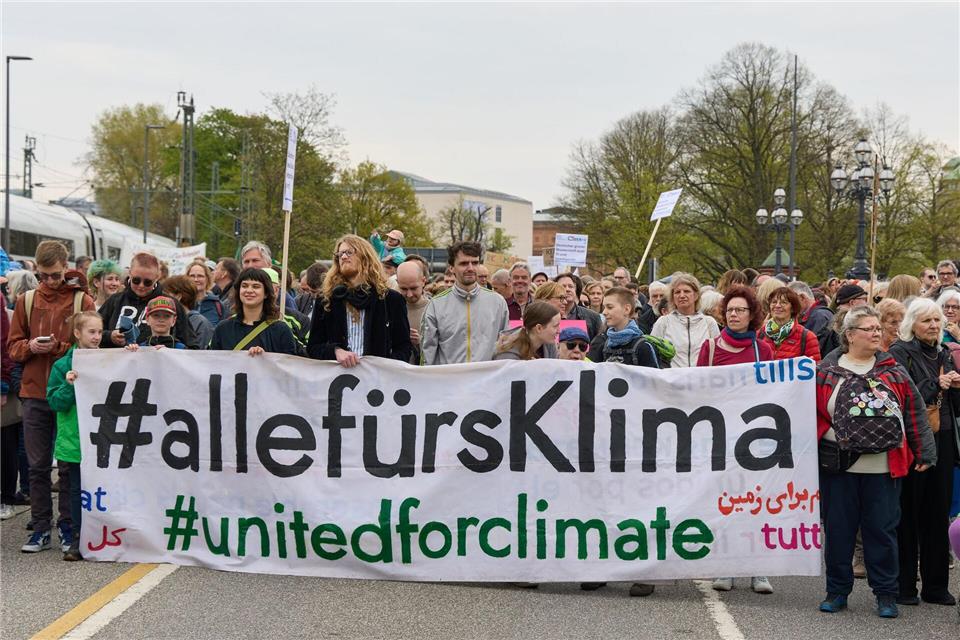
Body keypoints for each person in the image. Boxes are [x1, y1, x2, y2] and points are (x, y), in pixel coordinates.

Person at [816, 306, 936, 618]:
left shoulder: (893, 372)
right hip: (838, 468)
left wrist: (925, 451)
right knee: (839, 532)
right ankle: (837, 591)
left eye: (877, 329)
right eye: (868, 329)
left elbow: (913, 411)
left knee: (881, 532)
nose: (876, 333)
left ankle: (886, 594)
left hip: (883, 468)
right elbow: (810, 413)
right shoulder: (826, 372)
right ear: (849, 335)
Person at [8, 240, 95, 554]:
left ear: (65, 267)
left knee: (70, 466)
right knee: (37, 466)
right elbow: (12, 347)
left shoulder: (82, 300)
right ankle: (41, 527)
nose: (49, 281)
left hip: (70, 395)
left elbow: (91, 345)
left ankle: (68, 526)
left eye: (55, 275)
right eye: (42, 276)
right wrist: (30, 347)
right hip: (34, 392)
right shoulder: (27, 300)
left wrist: (56, 347)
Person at [696, 286, 775, 593]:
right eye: (729, 310)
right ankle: (725, 566)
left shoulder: (763, 350)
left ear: (751, 314)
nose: (734, 314)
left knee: (756, 502)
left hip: (755, 437)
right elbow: (698, 388)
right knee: (723, 502)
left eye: (740, 310)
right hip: (720, 436)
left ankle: (758, 569)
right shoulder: (710, 348)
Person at [888, 298, 960, 606]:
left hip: (943, 437)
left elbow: (955, 406)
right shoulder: (899, 352)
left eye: (936, 320)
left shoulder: (945, 353)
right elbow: (901, 397)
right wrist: (936, 383)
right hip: (913, 438)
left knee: (937, 513)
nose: (933, 325)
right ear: (911, 324)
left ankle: (935, 586)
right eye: (926, 320)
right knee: (908, 513)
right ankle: (904, 586)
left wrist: (956, 386)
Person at [47, 311, 102, 560]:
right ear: (77, 333)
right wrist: (69, 386)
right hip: (76, 440)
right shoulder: (62, 366)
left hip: (104, 441)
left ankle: (108, 535)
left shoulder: (110, 359)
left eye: (99, 332)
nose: (97, 337)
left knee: (105, 488)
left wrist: (132, 351)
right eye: (91, 332)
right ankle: (78, 538)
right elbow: (55, 402)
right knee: (77, 490)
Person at [307, 235, 412, 365]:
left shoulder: (390, 299)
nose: (343, 257)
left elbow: (403, 347)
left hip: (377, 376)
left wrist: (384, 366)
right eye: (340, 254)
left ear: (365, 257)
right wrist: (335, 351)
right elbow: (313, 347)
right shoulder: (326, 299)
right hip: (338, 376)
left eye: (349, 252)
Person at [420, 241, 509, 365]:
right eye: (464, 263)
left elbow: (505, 347)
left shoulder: (498, 302)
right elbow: (428, 353)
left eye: (475, 263)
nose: (470, 268)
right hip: (450, 377)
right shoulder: (436, 305)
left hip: (487, 377)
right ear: (452, 268)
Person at [98, 252, 198, 349]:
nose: (141, 285)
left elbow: (192, 346)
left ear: (157, 277)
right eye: (136, 280)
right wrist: (110, 336)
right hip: (117, 359)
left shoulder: (171, 304)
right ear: (130, 273)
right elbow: (92, 333)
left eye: (147, 282)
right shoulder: (115, 301)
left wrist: (169, 348)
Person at [210, 268, 298, 355]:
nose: (249, 290)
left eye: (256, 286)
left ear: (266, 293)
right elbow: (213, 361)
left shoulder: (281, 330)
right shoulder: (223, 329)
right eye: (244, 286)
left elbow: (288, 362)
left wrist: (266, 358)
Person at [651, 273, 719, 367]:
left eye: (686, 291)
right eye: (677, 292)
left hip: (702, 376)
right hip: (672, 376)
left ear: (696, 295)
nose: (682, 295)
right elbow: (652, 354)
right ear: (672, 297)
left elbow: (718, 354)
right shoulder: (663, 322)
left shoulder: (709, 323)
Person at [589, 287, 658, 368]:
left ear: (626, 309)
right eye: (604, 307)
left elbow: (652, 375)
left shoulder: (643, 347)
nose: (604, 312)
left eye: (610, 307)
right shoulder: (602, 344)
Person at [760, 287, 822, 362]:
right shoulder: (759, 334)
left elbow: (814, 366)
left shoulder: (807, 337)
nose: (777, 305)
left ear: (793, 308)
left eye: (783, 302)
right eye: (774, 302)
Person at [494, 301, 560, 360]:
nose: (559, 331)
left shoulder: (548, 344)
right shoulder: (508, 354)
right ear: (539, 328)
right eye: (555, 326)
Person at [161, 275, 214, 349]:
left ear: (178, 297)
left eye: (166, 294)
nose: (162, 298)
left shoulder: (201, 323)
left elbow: (200, 353)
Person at [240, 240, 295, 311]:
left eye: (255, 260)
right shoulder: (236, 293)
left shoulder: (283, 299)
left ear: (269, 264)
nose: (250, 265)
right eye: (246, 261)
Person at [397, 261, 430, 364]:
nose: (409, 294)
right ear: (397, 282)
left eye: (413, 288)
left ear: (423, 281)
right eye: (404, 289)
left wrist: (420, 343)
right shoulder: (390, 308)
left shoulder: (434, 309)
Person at [791, 281, 835, 355]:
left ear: (802, 298)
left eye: (791, 302)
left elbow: (813, 350)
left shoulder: (819, 317)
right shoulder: (816, 315)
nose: (790, 307)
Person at [556, 272, 604, 341]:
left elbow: (599, 343)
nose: (567, 289)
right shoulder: (547, 315)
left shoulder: (593, 317)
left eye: (571, 286)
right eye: (563, 286)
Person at [187, 260, 224, 327]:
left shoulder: (218, 305)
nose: (196, 279)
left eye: (200, 276)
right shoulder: (182, 304)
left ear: (207, 279)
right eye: (192, 276)